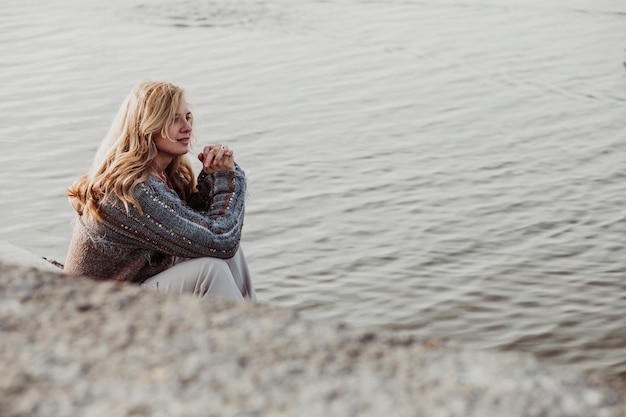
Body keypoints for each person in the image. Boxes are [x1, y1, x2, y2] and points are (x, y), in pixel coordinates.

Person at [64, 81, 255, 301]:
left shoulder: (161, 176)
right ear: (148, 125)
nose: (187, 127)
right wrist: (227, 179)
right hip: (96, 307)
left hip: (130, 289)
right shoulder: (134, 190)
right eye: (174, 119)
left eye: (188, 117)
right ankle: (248, 331)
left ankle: (255, 324)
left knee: (227, 255)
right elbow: (220, 240)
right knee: (211, 270)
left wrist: (216, 174)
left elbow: (195, 228)